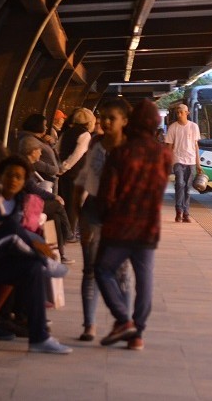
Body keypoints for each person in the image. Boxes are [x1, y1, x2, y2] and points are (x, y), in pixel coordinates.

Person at [96, 99, 174, 351]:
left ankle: (123, 319)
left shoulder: (121, 152)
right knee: (145, 279)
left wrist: (101, 217)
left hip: (120, 224)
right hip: (149, 226)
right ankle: (137, 334)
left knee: (102, 270)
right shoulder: (164, 154)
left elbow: (107, 192)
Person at [0, 155, 72, 354]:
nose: (13, 180)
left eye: (18, 177)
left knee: (31, 268)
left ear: (24, 182)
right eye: (9, 175)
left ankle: (39, 336)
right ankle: (44, 261)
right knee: (13, 233)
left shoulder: (19, 201)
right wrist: (36, 249)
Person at [73, 99, 132, 342]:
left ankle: (124, 322)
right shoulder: (95, 144)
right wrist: (80, 218)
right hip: (94, 211)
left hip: (121, 215)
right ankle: (89, 325)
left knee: (121, 271)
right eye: (102, 118)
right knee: (90, 270)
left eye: (111, 118)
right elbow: (82, 179)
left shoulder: (132, 149)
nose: (105, 123)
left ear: (124, 121)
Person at [58, 108, 96, 239]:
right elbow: (78, 154)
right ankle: (70, 233)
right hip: (77, 173)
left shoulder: (66, 133)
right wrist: (65, 166)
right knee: (74, 204)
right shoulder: (85, 135)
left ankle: (66, 232)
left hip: (64, 174)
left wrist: (60, 167)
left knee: (66, 202)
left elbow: (57, 148)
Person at [165, 103, 201, 222]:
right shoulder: (173, 127)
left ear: (187, 113)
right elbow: (169, 146)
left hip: (190, 161)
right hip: (178, 160)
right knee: (180, 183)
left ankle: (186, 213)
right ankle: (179, 210)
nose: (179, 114)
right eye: (177, 112)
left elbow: (196, 146)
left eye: (181, 112)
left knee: (187, 188)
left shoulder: (194, 127)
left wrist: (198, 163)